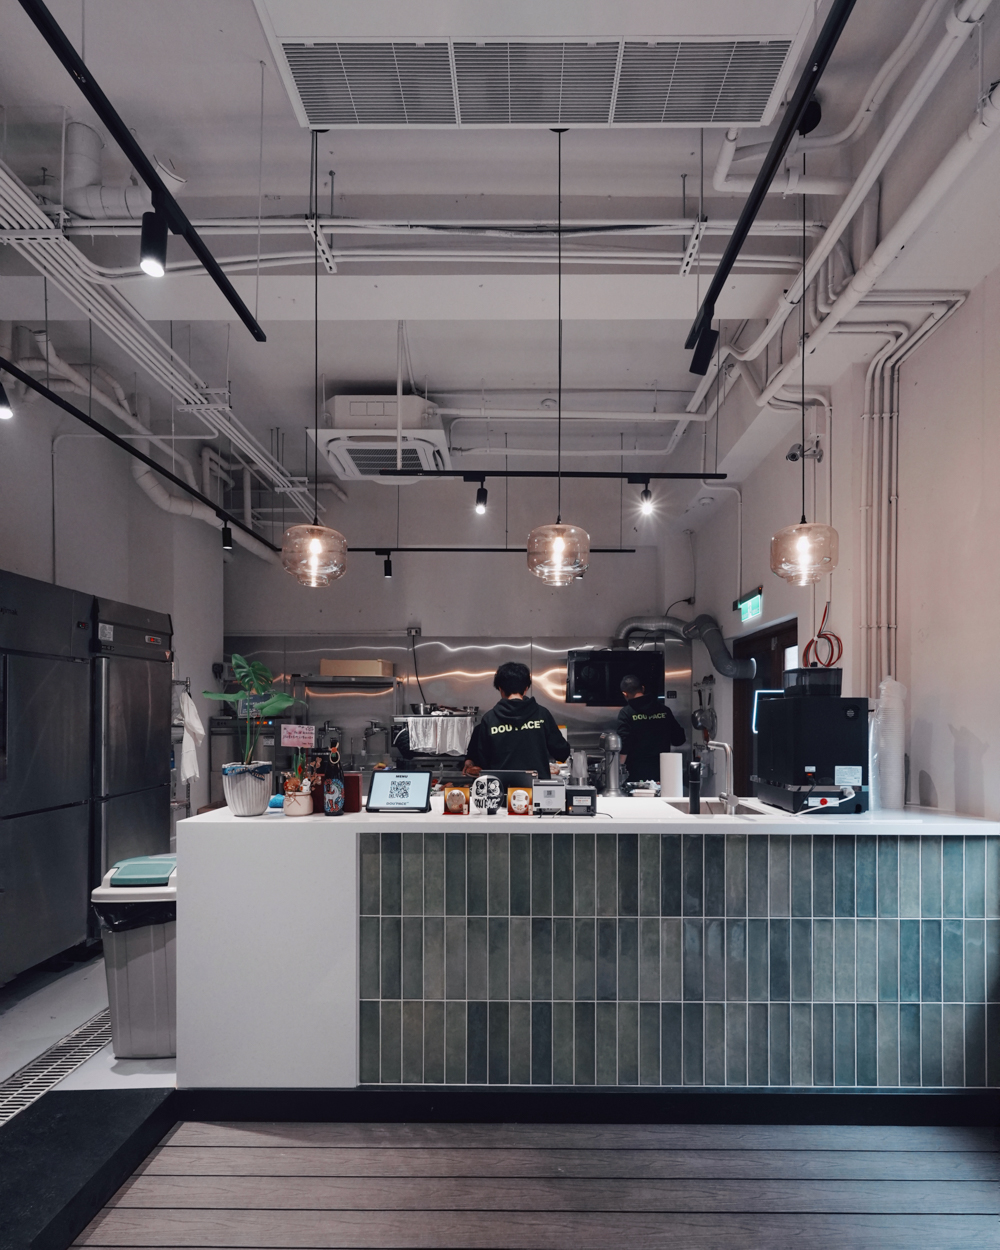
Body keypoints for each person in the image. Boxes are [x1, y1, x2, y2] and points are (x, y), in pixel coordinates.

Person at [464, 661, 570, 780]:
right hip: (537, 787)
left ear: (500, 689)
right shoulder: (542, 714)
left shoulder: (489, 719)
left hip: (500, 788)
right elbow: (562, 752)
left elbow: (482, 761)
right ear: (526, 688)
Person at [617, 673, 685, 784]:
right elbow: (679, 739)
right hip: (662, 771)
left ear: (625, 694)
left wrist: (619, 769)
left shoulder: (626, 713)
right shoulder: (664, 710)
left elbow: (624, 743)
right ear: (643, 688)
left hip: (635, 773)